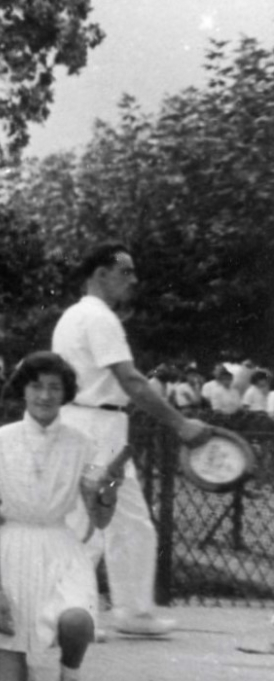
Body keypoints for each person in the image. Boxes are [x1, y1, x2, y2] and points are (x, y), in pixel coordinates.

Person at [51, 242, 216, 637]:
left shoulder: (76, 316)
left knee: (129, 524)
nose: (133, 280)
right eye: (126, 271)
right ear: (100, 274)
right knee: (91, 523)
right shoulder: (98, 318)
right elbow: (132, 381)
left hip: (99, 428)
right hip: (96, 432)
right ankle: (69, 610)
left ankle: (132, 612)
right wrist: (180, 424)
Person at [0, 352, 120, 681]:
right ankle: (13, 661)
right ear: (23, 390)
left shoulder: (83, 443)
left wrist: (107, 492)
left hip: (61, 548)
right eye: (36, 386)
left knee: (77, 620)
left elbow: (100, 520)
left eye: (54, 387)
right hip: (13, 549)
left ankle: (70, 673)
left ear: (66, 393)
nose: (44, 395)